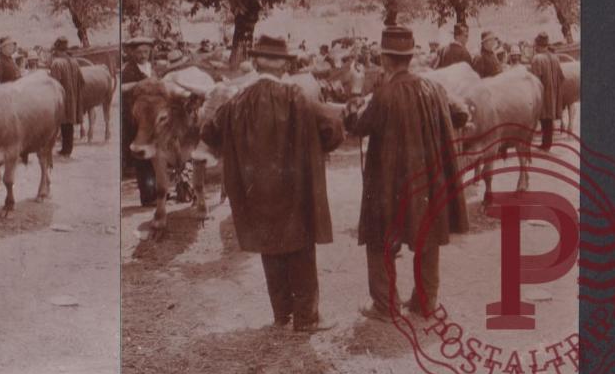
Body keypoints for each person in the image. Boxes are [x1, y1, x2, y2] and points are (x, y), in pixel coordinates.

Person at [201, 35, 344, 333]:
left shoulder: (236, 100)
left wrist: (236, 150)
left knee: (271, 248)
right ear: (284, 65)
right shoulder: (297, 96)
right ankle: (307, 318)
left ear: (254, 62)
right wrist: (318, 148)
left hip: (256, 189)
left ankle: (282, 315)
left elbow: (210, 132)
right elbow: (331, 126)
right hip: (294, 186)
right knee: (301, 248)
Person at [348, 26, 469, 321]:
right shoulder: (434, 88)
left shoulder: (383, 96)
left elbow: (356, 127)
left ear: (386, 60)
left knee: (379, 239)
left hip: (389, 182)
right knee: (428, 237)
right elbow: (461, 114)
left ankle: (386, 306)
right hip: (428, 180)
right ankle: (426, 303)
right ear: (410, 57)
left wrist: (354, 94)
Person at [120, 36, 157, 206]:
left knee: (155, 156)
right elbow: (122, 88)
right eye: (139, 52)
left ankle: (157, 191)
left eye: (146, 52)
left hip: (154, 118)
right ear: (133, 53)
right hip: (136, 119)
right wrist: (141, 83)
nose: (143, 55)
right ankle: (147, 196)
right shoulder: (128, 70)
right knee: (142, 157)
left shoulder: (152, 67)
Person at [47, 36, 85, 157]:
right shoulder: (74, 62)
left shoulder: (57, 63)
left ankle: (64, 150)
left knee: (63, 123)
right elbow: (82, 81)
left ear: (57, 50)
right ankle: (67, 149)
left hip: (62, 98)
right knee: (69, 124)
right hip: (73, 98)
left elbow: (54, 84)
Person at [529, 31, 566, 150]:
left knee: (544, 117)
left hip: (543, 93)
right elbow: (561, 76)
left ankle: (545, 144)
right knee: (549, 118)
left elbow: (535, 80)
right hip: (554, 93)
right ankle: (547, 143)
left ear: (538, 45)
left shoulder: (537, 59)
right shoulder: (555, 57)